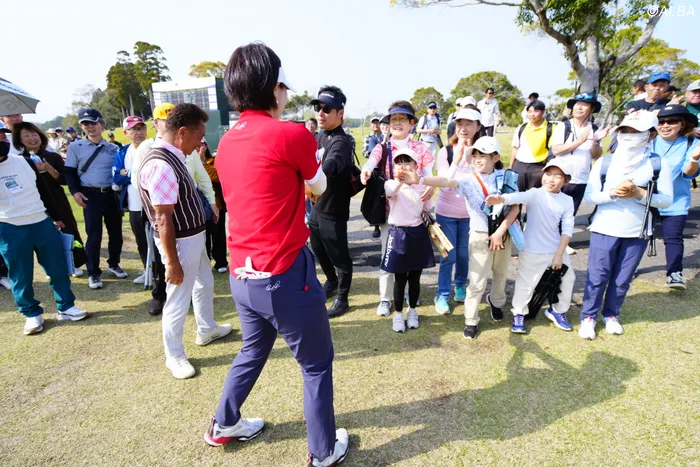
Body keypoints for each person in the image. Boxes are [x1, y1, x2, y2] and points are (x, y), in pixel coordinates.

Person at [206, 42, 349, 467]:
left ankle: (224, 423)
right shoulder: (290, 134)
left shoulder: (227, 141)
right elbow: (319, 185)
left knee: (253, 350)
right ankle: (322, 451)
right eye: (283, 86)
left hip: (242, 274)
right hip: (284, 273)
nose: (286, 93)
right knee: (316, 364)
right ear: (273, 88)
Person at [138, 103, 232, 379]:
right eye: (198, 136)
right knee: (178, 298)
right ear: (182, 132)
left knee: (205, 281)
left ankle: (207, 328)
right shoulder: (161, 164)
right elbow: (163, 218)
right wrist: (171, 262)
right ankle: (174, 356)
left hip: (192, 237)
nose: (201, 143)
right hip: (180, 242)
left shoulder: (173, 156)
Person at [405, 137, 520, 340]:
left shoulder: (507, 177)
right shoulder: (468, 179)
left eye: (482, 155)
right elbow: (446, 182)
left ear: (495, 158)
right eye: (474, 155)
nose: (477, 159)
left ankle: (496, 302)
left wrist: (500, 232)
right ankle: (471, 320)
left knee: (501, 274)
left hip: (503, 234)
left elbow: (515, 208)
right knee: (477, 281)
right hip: (480, 235)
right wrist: (421, 179)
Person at [580, 110, 673, 340]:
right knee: (597, 276)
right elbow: (590, 197)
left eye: (636, 132)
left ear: (651, 135)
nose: (630, 136)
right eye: (625, 131)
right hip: (604, 228)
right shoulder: (605, 162)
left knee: (622, 278)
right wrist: (612, 193)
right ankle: (588, 317)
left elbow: (666, 200)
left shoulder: (658, 164)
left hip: (637, 230)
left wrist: (639, 193)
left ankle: (611, 314)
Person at [0, 138, 88, 335]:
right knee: (20, 274)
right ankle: (31, 313)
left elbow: (43, 191)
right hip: (9, 227)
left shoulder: (24, 162)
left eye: (3, 137)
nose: (2, 141)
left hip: (41, 221)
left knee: (57, 267)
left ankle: (66, 306)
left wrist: (55, 217)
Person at [360, 101, 435, 318]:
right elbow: (370, 163)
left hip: (415, 215)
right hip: (390, 214)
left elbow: (428, 175)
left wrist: (430, 185)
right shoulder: (382, 147)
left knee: (413, 259)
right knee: (388, 256)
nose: (397, 123)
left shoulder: (421, 149)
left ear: (412, 123)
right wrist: (366, 171)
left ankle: (410, 295)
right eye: (394, 119)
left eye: (403, 119)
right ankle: (385, 298)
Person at [484, 159, 576, 334]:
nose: (550, 179)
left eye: (557, 176)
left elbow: (567, 229)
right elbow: (518, 197)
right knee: (527, 283)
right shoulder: (535, 193)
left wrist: (559, 254)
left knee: (568, 278)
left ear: (566, 181)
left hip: (556, 249)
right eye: (548, 174)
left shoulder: (567, 201)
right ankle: (519, 313)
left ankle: (557, 311)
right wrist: (501, 199)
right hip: (532, 248)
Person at [13, 122, 87, 276]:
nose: (32, 138)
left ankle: (75, 262)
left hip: (57, 200)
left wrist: (48, 169)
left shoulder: (53, 156)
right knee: (43, 237)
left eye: (34, 134)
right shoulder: (18, 160)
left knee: (69, 231)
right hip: (33, 204)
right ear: (20, 140)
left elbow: (65, 180)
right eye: (27, 135)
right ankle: (50, 267)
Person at [64, 108, 127, 289]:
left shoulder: (113, 148)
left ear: (102, 124)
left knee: (116, 233)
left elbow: (119, 171)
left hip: (111, 195)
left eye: (93, 123)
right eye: (85, 124)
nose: (90, 127)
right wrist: (75, 191)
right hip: (89, 195)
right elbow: (69, 171)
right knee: (94, 235)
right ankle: (93, 272)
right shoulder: (76, 147)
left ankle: (114, 264)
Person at [308, 86, 354, 318]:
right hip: (318, 207)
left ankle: (343, 298)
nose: (320, 113)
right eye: (318, 107)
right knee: (318, 249)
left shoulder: (341, 142)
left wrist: (311, 183)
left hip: (334, 210)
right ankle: (332, 282)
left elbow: (330, 165)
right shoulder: (321, 135)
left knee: (340, 257)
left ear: (340, 113)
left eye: (327, 109)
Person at [380, 148, 435, 333]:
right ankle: (398, 314)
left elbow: (427, 208)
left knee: (415, 277)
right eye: (399, 163)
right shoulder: (390, 183)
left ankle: (412, 310)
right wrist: (400, 180)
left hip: (418, 233)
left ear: (416, 165)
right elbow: (390, 192)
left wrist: (426, 185)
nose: (403, 166)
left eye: (407, 162)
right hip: (398, 234)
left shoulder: (423, 185)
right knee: (400, 277)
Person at [433, 108, 480, 316]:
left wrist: (471, 157)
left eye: (469, 124)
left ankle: (460, 285)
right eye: (460, 124)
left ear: (478, 127)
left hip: (471, 215)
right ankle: (442, 295)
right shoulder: (446, 152)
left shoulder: (481, 151)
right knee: (448, 256)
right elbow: (444, 186)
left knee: (463, 255)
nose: (464, 128)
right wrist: (457, 159)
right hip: (446, 214)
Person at [651, 105, 700, 290]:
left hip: (675, 201)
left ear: (682, 124)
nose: (665, 125)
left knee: (673, 238)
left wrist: (694, 158)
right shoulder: (649, 140)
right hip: (646, 199)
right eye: (661, 121)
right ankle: (626, 270)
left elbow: (689, 172)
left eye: (672, 121)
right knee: (636, 237)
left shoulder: (691, 143)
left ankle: (674, 273)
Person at [134, 103, 176, 316]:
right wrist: (158, 203)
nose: (170, 124)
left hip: (182, 211)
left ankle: (184, 293)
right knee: (162, 255)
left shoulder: (182, 141)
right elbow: (137, 180)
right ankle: (160, 295)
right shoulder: (146, 147)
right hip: (158, 209)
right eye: (165, 120)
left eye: (173, 120)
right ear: (156, 123)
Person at [550, 93, 610, 216]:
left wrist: (596, 141)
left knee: (569, 216)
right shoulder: (563, 126)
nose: (579, 107)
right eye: (577, 104)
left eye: (584, 105)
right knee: (553, 215)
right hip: (560, 179)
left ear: (592, 109)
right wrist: (579, 141)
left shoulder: (595, 129)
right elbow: (556, 150)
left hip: (581, 180)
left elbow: (596, 156)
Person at [112, 116, 149, 285]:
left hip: (155, 203)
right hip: (134, 204)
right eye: (133, 129)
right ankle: (147, 270)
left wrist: (128, 172)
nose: (138, 132)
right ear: (125, 132)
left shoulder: (154, 147)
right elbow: (116, 177)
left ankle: (162, 270)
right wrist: (133, 174)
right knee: (141, 239)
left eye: (141, 128)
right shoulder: (123, 152)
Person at [511, 99, 555, 191]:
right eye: (529, 111)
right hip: (519, 166)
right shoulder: (522, 128)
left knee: (535, 197)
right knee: (516, 195)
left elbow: (554, 151)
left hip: (538, 168)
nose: (532, 114)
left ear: (543, 112)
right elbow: (515, 148)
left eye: (536, 111)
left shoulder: (551, 129)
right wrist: (511, 167)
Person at [200, 141, 229, 273]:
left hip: (217, 205)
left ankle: (221, 261)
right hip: (200, 207)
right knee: (203, 237)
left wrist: (202, 163)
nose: (199, 148)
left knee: (218, 236)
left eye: (202, 145)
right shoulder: (188, 160)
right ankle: (205, 263)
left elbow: (217, 177)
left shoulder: (213, 161)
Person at [363, 116, 384, 238]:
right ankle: (376, 225)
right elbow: (365, 152)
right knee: (375, 198)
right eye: (373, 123)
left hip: (385, 170)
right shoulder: (369, 138)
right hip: (374, 171)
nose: (375, 125)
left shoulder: (386, 135)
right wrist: (377, 152)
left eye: (377, 123)